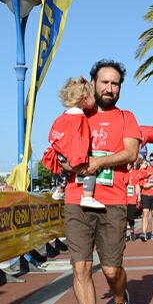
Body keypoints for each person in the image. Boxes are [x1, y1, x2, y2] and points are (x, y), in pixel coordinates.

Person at [62, 59, 142, 304]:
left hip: (112, 201)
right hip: (76, 200)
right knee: (81, 266)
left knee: (111, 269)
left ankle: (120, 301)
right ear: (93, 83)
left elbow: (131, 152)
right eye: (105, 82)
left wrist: (97, 162)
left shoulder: (126, 117)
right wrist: (68, 162)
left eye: (115, 83)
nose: (109, 88)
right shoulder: (75, 115)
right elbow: (59, 149)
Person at [42, 77, 104, 209]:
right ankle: (87, 197)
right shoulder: (80, 119)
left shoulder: (62, 117)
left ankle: (59, 190)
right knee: (91, 170)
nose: (95, 99)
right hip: (71, 155)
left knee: (64, 172)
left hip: (59, 153)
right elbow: (80, 140)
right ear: (84, 98)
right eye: (93, 96)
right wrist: (82, 160)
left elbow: (53, 135)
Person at [124, 160, 141, 240]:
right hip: (123, 199)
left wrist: (139, 196)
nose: (127, 166)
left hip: (132, 199)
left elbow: (137, 185)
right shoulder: (123, 172)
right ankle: (123, 234)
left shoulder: (134, 173)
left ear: (131, 165)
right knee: (123, 218)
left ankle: (132, 230)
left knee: (131, 218)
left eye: (128, 164)